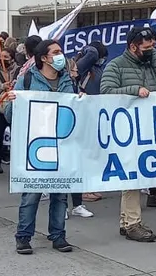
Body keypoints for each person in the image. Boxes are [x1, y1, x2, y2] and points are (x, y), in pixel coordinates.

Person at [100, 26, 156, 243]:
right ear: (133, 47)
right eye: (147, 48)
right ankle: (132, 223)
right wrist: (135, 90)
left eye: (154, 47)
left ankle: (127, 222)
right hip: (126, 130)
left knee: (134, 175)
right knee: (131, 174)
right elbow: (106, 91)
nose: (151, 51)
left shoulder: (149, 62)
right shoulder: (116, 65)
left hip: (146, 128)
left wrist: (153, 52)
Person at [5, 40, 72, 255]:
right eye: (56, 52)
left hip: (61, 144)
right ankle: (23, 237)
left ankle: (58, 236)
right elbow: (8, 115)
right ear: (44, 58)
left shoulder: (68, 80)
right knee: (32, 193)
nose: (61, 56)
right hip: (35, 145)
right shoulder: (26, 80)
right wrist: (13, 102)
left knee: (60, 194)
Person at [68, 43, 105, 214]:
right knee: (79, 156)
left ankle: (85, 190)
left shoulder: (97, 69)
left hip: (91, 116)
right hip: (78, 119)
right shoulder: (84, 65)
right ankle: (81, 192)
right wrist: (89, 49)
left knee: (90, 154)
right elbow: (92, 53)